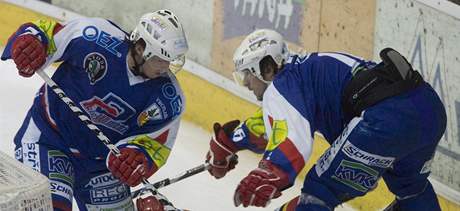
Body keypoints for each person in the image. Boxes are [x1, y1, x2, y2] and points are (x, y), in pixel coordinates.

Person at [205, 29, 446, 211]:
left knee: (319, 190)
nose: (246, 83)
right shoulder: (306, 71)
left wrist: (271, 172)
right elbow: (278, 123)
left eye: (247, 74)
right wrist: (230, 141)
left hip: (387, 120)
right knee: (410, 187)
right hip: (428, 109)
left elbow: (291, 137)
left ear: (266, 68)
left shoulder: (283, 85)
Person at [1, 9, 188, 211]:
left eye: (169, 61)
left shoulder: (169, 98)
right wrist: (33, 43)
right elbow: (46, 34)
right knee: (46, 207)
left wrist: (136, 155)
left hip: (101, 166)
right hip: (49, 138)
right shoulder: (96, 35)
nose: (165, 67)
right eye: (161, 59)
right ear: (142, 49)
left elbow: (155, 144)